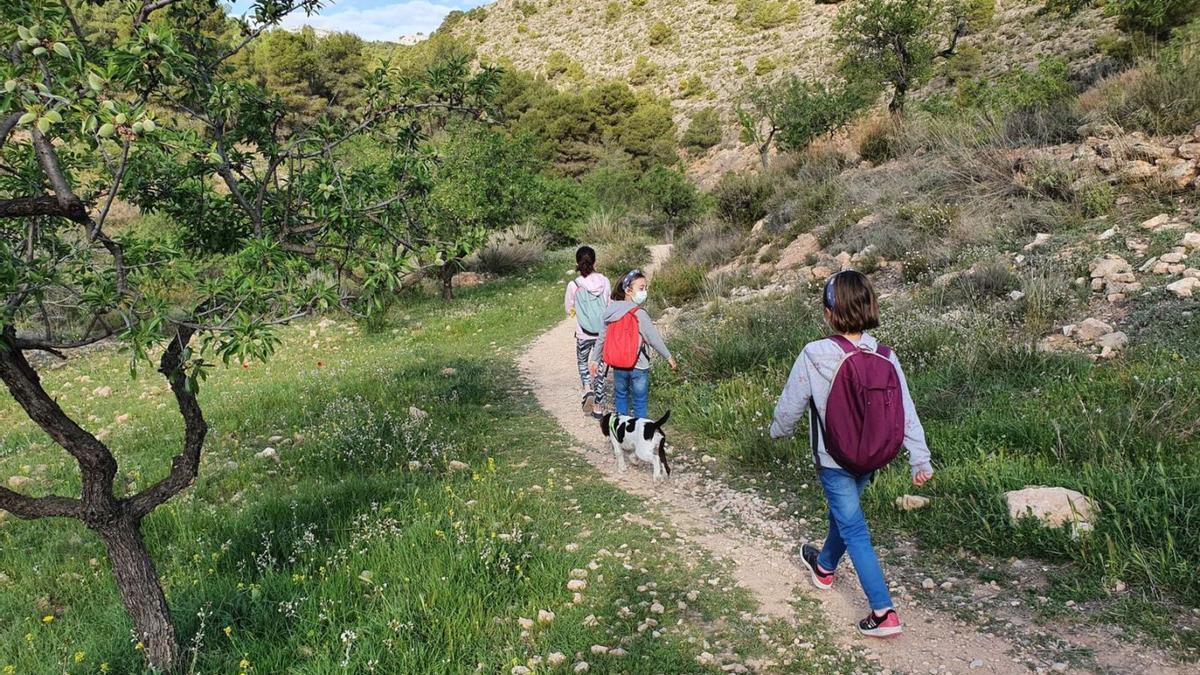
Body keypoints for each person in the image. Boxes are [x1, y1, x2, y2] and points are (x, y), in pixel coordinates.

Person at [769, 270, 933, 638]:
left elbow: (792, 402)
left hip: (834, 460)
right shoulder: (887, 356)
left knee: (854, 528)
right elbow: (906, 410)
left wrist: (777, 431)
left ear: (829, 312)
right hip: (872, 457)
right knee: (846, 518)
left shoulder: (815, 353)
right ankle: (825, 567)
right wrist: (918, 458)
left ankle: (883, 612)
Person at [590, 269, 677, 419]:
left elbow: (602, 338)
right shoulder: (639, 314)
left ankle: (621, 433)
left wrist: (595, 359)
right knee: (639, 402)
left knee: (621, 398)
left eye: (646, 288)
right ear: (628, 290)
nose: (645, 292)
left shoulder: (610, 312)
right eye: (641, 288)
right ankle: (640, 434)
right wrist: (669, 357)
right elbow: (653, 338)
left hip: (618, 365)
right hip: (639, 365)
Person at [565, 246, 612, 419]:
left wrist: (578, 312)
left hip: (583, 333)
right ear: (595, 262)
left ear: (577, 263)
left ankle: (587, 389)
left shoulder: (574, 285)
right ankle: (598, 408)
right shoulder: (605, 281)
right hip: (602, 333)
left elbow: (569, 308)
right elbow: (609, 304)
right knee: (599, 367)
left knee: (583, 363)